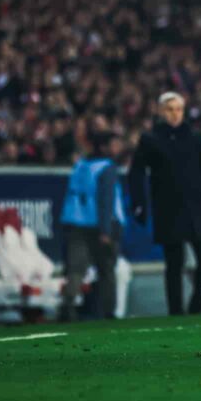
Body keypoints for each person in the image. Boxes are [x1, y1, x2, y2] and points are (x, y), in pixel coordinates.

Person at [128, 92, 201, 315]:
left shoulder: (196, 137)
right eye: (170, 109)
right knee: (174, 264)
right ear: (161, 111)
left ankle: (196, 306)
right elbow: (136, 173)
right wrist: (139, 203)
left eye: (178, 109)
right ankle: (176, 311)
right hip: (168, 210)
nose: (174, 114)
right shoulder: (150, 139)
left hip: (196, 209)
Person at [58, 133, 126, 321]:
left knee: (76, 270)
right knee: (106, 271)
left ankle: (67, 306)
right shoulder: (106, 168)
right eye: (115, 143)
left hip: (76, 223)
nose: (118, 147)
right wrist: (106, 230)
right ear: (104, 147)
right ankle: (108, 312)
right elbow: (106, 199)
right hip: (100, 226)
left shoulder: (80, 165)